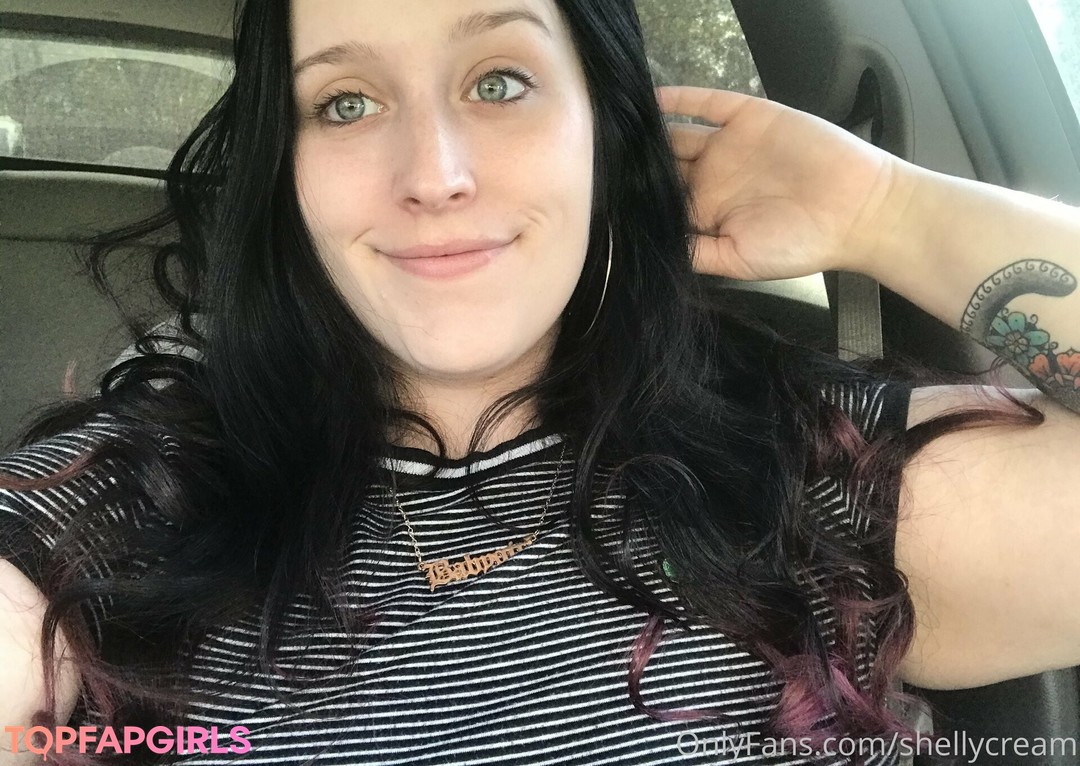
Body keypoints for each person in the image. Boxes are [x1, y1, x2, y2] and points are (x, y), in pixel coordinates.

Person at [1, 0, 1078, 763]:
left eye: (500, 82)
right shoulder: (133, 498)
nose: (434, 175)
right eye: (345, 102)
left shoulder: (808, 469)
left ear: (604, 133)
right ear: (286, 176)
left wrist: (887, 211)